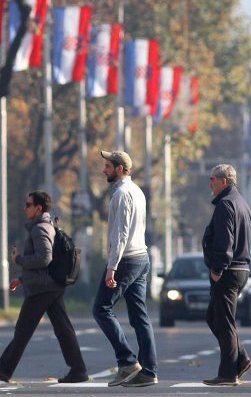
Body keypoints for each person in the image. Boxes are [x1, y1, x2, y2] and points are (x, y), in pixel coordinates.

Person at [0, 191, 88, 383]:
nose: (25, 208)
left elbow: (44, 259)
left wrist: (19, 259)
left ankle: (4, 369)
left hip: (42, 289)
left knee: (23, 331)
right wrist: (22, 279)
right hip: (50, 286)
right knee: (63, 329)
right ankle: (78, 369)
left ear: (38, 208)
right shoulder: (45, 227)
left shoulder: (40, 229)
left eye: (28, 205)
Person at [92, 150, 158, 388]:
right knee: (140, 316)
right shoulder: (137, 192)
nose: (104, 170)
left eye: (108, 166)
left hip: (127, 260)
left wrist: (112, 267)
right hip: (141, 257)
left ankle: (127, 361)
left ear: (120, 168)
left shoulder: (121, 194)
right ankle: (148, 371)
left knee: (101, 309)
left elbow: (121, 233)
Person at [201, 164, 251, 386]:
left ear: (224, 181)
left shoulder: (225, 204)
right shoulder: (241, 202)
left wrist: (217, 268)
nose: (210, 183)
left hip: (228, 270)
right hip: (240, 269)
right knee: (215, 318)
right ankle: (240, 359)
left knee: (223, 321)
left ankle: (228, 373)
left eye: (213, 179)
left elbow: (225, 240)